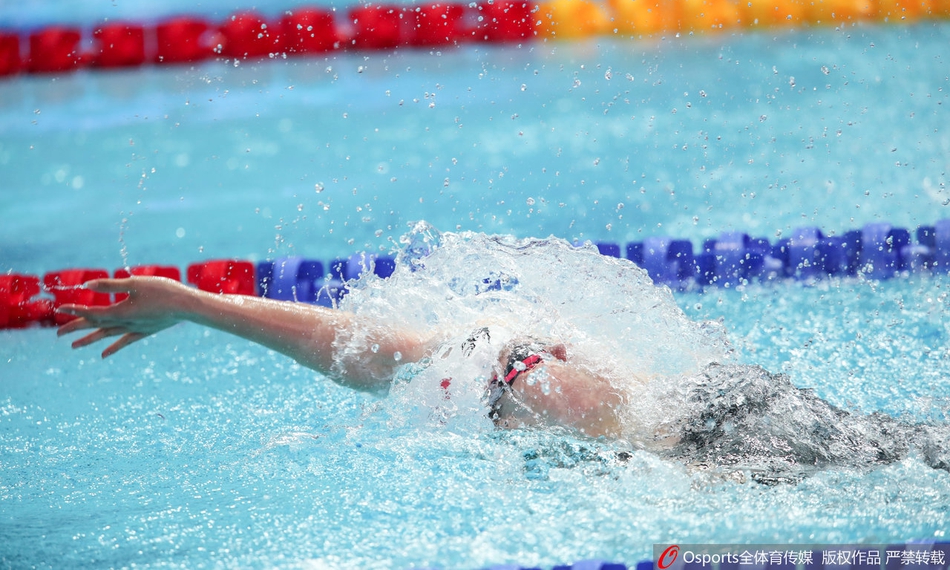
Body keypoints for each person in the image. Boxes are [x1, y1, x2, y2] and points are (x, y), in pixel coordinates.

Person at [58, 275, 949, 483]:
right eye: (517, 374)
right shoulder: (689, 482)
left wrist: (199, 301)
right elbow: (351, 352)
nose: (541, 363)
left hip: (732, 420)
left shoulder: (480, 374)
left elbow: (360, 346)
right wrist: (196, 309)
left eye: (532, 354)